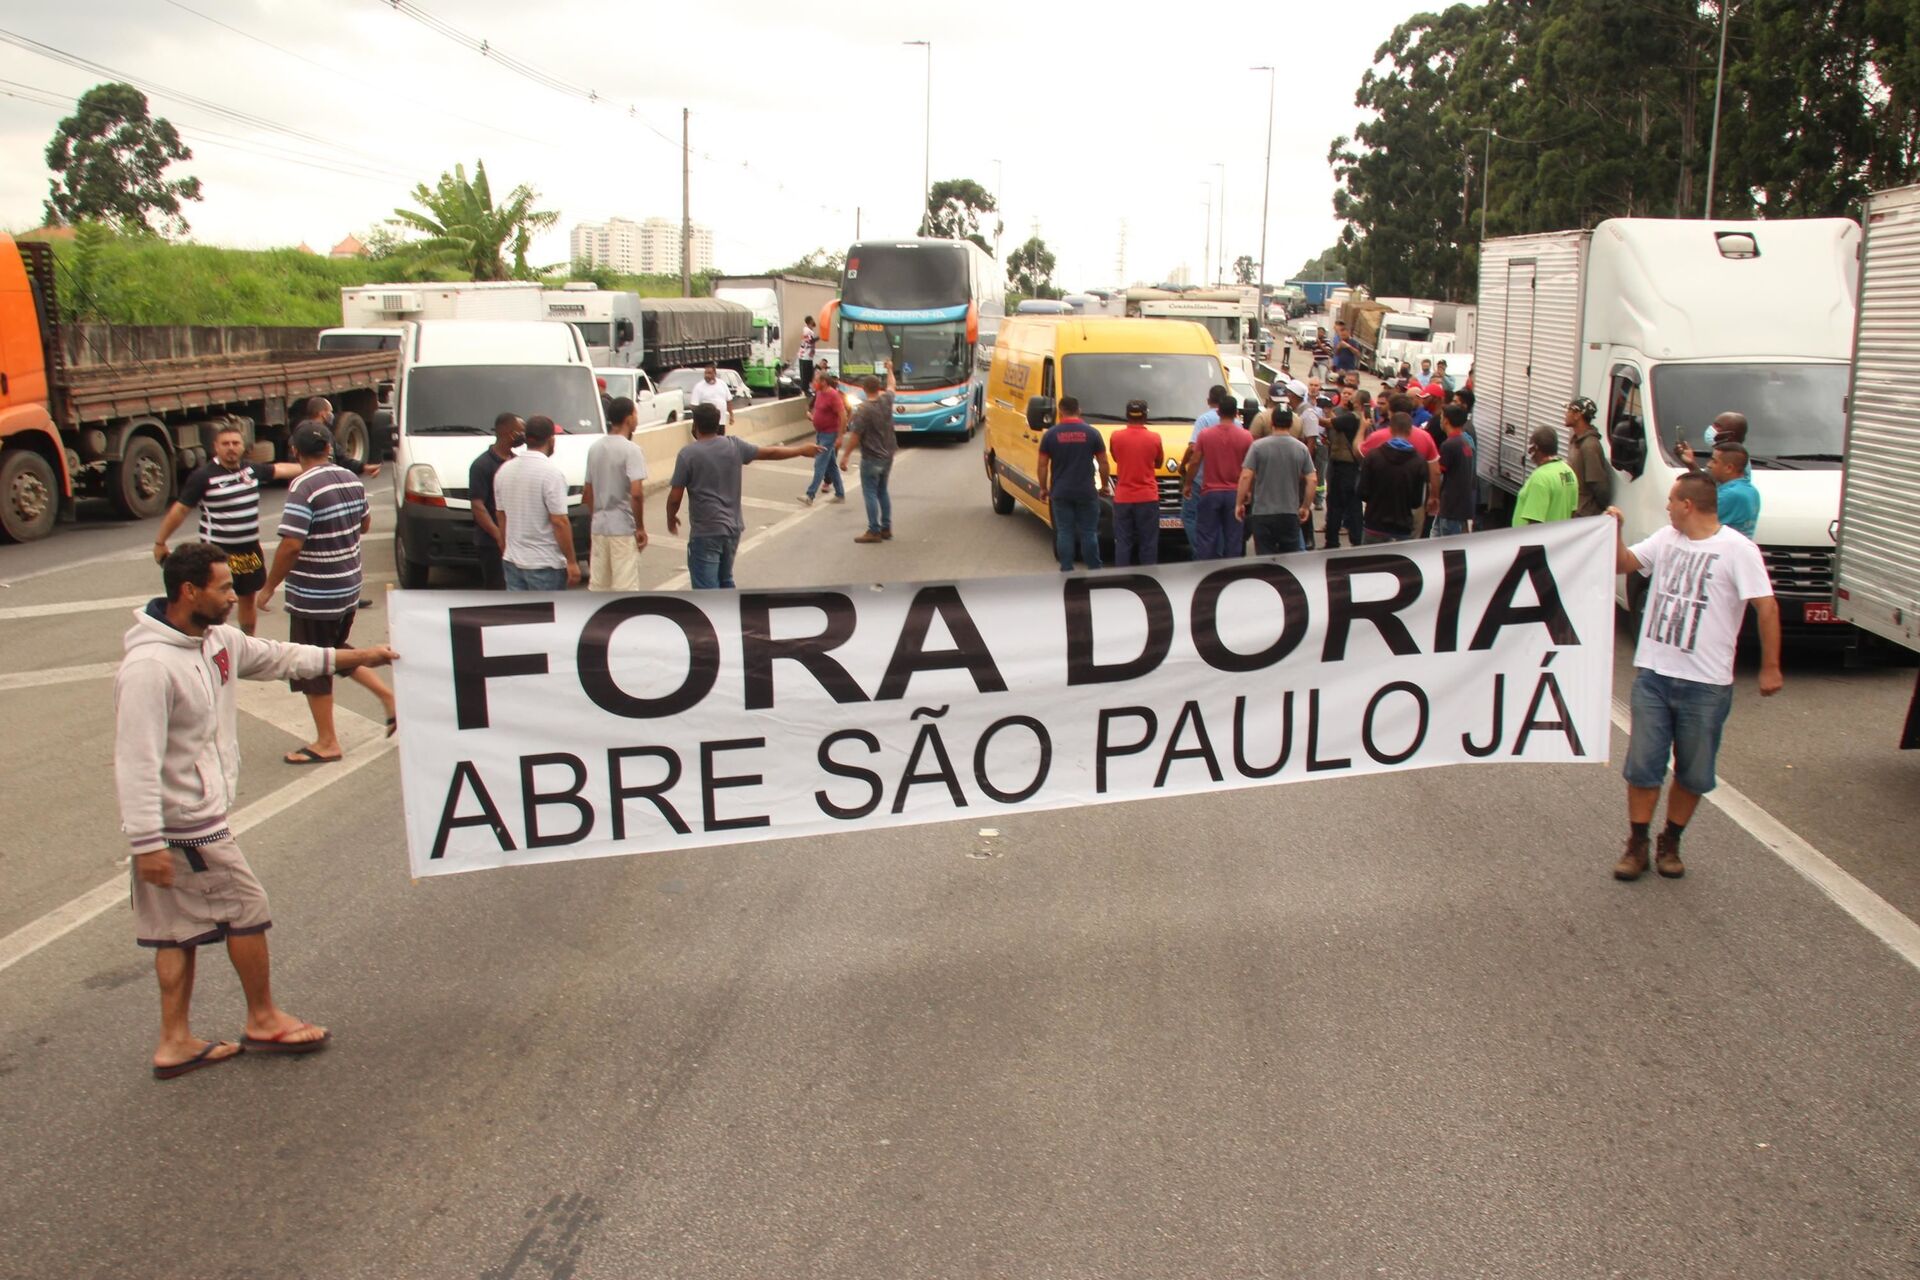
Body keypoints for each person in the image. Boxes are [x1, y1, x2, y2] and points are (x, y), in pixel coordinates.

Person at [116, 544, 397, 1078]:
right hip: (185, 826)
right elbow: (134, 759)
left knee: (175, 931)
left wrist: (358, 657)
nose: (233, 596)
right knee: (247, 909)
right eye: (223, 588)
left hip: (186, 821)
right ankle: (263, 1018)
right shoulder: (149, 668)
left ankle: (174, 1041)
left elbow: (280, 656)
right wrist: (146, 841)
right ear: (188, 592)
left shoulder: (216, 640)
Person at [1607, 476, 1782, 880]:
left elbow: (1766, 607)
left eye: (1671, 500)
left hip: (1705, 684)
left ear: (1688, 504)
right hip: (1654, 674)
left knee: (1694, 771)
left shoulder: (1738, 550)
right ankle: (1637, 843)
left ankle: (1672, 839)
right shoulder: (1667, 538)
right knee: (1642, 766)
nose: (1667, 507)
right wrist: (1614, 531)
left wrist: (1770, 665)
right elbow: (1623, 564)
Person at [153, 412, 377, 633]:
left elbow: (281, 469)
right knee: (213, 602)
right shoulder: (203, 477)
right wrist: (160, 541)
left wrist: (323, 470)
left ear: (244, 446)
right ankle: (209, 641)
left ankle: (247, 643)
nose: (231, 447)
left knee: (247, 599)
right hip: (219, 553)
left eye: (236, 443)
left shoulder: (251, 470)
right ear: (215, 447)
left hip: (249, 551)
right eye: (225, 443)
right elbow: (180, 510)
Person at [260, 421, 394, 762]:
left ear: (294, 450)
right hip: (348, 585)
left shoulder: (303, 486)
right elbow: (364, 524)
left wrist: (269, 586)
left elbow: (291, 544)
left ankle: (327, 741)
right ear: (329, 448)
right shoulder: (350, 478)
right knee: (334, 649)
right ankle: (388, 698)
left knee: (312, 665)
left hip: (315, 592)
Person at [669, 402, 819, 586]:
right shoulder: (734, 446)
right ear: (718, 425)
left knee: (706, 591)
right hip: (733, 529)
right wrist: (801, 451)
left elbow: (675, 497)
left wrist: (671, 518)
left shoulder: (688, 454)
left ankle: (715, 615)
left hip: (706, 532)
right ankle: (731, 613)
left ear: (695, 426)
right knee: (726, 579)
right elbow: (770, 452)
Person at [494, 415, 581, 592]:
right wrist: (571, 561)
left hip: (512, 562)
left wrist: (506, 547)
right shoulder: (551, 474)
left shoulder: (504, 470)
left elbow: (501, 516)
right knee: (547, 617)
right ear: (551, 439)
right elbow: (559, 521)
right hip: (544, 564)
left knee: (521, 618)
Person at [581, 396, 650, 592]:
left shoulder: (594, 448)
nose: (636, 419)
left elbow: (588, 492)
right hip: (622, 527)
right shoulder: (632, 450)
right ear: (628, 418)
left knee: (598, 586)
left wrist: (596, 516)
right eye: (635, 414)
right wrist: (640, 528)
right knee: (625, 586)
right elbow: (636, 493)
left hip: (599, 526)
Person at [1036, 395, 1110, 572]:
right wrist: (1105, 485)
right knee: (1089, 532)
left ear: (1060, 412)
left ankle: (1067, 568)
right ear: (1079, 410)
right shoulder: (1092, 433)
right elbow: (1103, 463)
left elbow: (1042, 465)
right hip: (1086, 491)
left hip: (1061, 492)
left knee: (1065, 531)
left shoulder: (1051, 435)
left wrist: (1044, 488)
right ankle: (1094, 567)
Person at [1180, 398, 1251, 560]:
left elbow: (1195, 461)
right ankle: (1230, 574)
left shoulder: (1205, 435)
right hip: (1235, 493)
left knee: (1206, 537)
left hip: (1210, 492)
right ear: (1236, 414)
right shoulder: (1246, 437)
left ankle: (1207, 574)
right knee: (1233, 539)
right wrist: (1248, 491)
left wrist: (1188, 484)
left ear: (1218, 412)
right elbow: (1249, 469)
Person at [1237, 409, 1315, 554]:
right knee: (1290, 560)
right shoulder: (1301, 449)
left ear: (1272, 423)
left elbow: (1246, 476)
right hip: (1289, 513)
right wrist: (1305, 506)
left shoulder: (1258, 447)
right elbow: (1312, 479)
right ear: (1291, 424)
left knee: (1265, 559)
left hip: (1263, 513)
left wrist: (1239, 503)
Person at [838, 362, 899, 543]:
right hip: (888, 454)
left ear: (864, 389)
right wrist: (889, 368)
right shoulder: (886, 400)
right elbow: (892, 385)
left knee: (870, 492)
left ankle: (874, 530)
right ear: (878, 388)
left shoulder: (863, 410)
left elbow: (855, 436)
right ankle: (886, 527)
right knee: (882, 491)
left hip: (871, 457)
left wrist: (846, 455)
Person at [467, 413, 524, 590]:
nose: (524, 435)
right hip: (491, 544)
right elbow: (477, 506)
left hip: (516, 541)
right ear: (509, 433)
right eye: (521, 431)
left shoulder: (517, 462)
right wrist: (498, 535)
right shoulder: (481, 465)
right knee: (497, 589)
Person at [1106, 398, 1165, 567]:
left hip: (1123, 497)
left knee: (1123, 541)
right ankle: (1148, 578)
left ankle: (1123, 578)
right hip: (1147, 497)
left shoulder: (1116, 437)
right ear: (1145, 415)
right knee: (1148, 542)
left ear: (1126, 415)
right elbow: (1159, 462)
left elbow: (1117, 458)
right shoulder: (1154, 438)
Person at [1358, 413, 1429, 544]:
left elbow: (1362, 492)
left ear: (1390, 429)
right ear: (1410, 431)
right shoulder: (1419, 462)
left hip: (1374, 524)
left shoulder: (1373, 456)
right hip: (1402, 527)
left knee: (1370, 564)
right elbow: (1416, 501)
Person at [1180, 385, 1228, 548]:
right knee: (1220, 520)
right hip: (1227, 481)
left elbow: (1194, 449)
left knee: (1189, 515)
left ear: (1209, 400)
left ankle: (1200, 549)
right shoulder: (1235, 422)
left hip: (1202, 480)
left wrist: (1184, 468)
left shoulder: (1204, 420)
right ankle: (1218, 555)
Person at [1512, 425, 1580, 526]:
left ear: (1535, 448)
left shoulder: (1540, 478)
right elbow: (1572, 512)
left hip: (1535, 540)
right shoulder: (1568, 472)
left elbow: (1534, 523)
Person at [799, 367, 847, 505]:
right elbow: (820, 412)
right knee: (831, 465)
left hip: (829, 434)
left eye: (816, 380)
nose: (814, 383)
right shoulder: (819, 393)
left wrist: (840, 436)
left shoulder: (833, 395)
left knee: (820, 463)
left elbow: (842, 415)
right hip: (821, 433)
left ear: (824, 382)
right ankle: (840, 493)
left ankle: (810, 495)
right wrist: (813, 417)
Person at [1323, 395, 1365, 548]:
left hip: (1343, 468)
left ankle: (1332, 541)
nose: (1349, 400)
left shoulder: (1351, 418)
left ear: (1358, 403)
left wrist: (1315, 415)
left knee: (1336, 505)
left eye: (1352, 398)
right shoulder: (1362, 419)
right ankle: (1357, 540)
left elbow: (1329, 423)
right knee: (1354, 505)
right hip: (1353, 468)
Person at [1431, 405, 1476, 537]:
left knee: (1447, 547)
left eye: (1441, 417)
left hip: (1451, 506)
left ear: (1446, 420)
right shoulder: (1465, 442)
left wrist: (1434, 496)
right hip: (1459, 506)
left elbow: (1439, 473)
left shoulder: (1449, 445)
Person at [1565, 396, 1612, 517]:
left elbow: (1598, 485)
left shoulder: (1590, 446)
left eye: (1569, 410)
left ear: (1577, 415)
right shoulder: (1576, 440)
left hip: (1584, 514)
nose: (1566, 414)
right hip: (1573, 511)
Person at [1709, 441, 1761, 538]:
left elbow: (1695, 523)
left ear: (1729, 468)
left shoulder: (1729, 495)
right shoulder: (1752, 491)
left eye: (1714, 461)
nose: (1709, 465)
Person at [1678, 410, 1748, 472]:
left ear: (1730, 435)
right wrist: (1690, 462)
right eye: (1713, 425)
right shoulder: (1723, 454)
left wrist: (1691, 464)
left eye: (1717, 426)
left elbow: (1706, 483)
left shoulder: (1733, 459)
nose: (1711, 429)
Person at [687, 362, 734, 429]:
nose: (706, 375)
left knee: (720, 438)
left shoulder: (722, 384)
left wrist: (731, 415)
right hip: (706, 424)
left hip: (721, 422)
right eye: (705, 373)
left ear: (714, 374)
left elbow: (728, 400)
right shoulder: (699, 387)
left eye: (709, 373)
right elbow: (694, 406)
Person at [796, 315, 819, 405]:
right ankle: (805, 390)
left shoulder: (810, 331)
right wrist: (820, 337)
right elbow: (810, 341)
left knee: (809, 374)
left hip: (807, 356)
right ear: (810, 321)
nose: (814, 322)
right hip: (805, 356)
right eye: (813, 320)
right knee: (806, 374)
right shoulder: (807, 330)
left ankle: (806, 389)